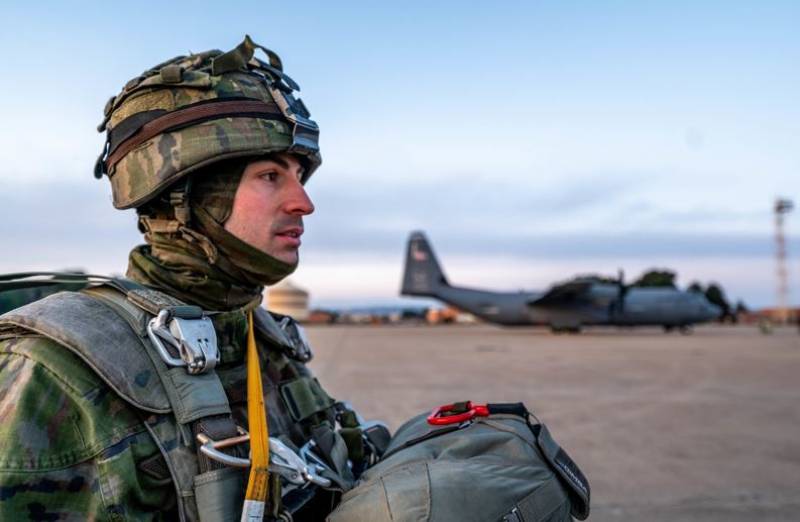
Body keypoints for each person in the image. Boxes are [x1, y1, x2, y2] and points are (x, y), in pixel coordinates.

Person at [0, 36, 382, 521]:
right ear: (184, 194)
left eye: (299, 177)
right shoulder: (58, 372)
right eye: (270, 176)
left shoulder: (261, 337)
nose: (303, 203)